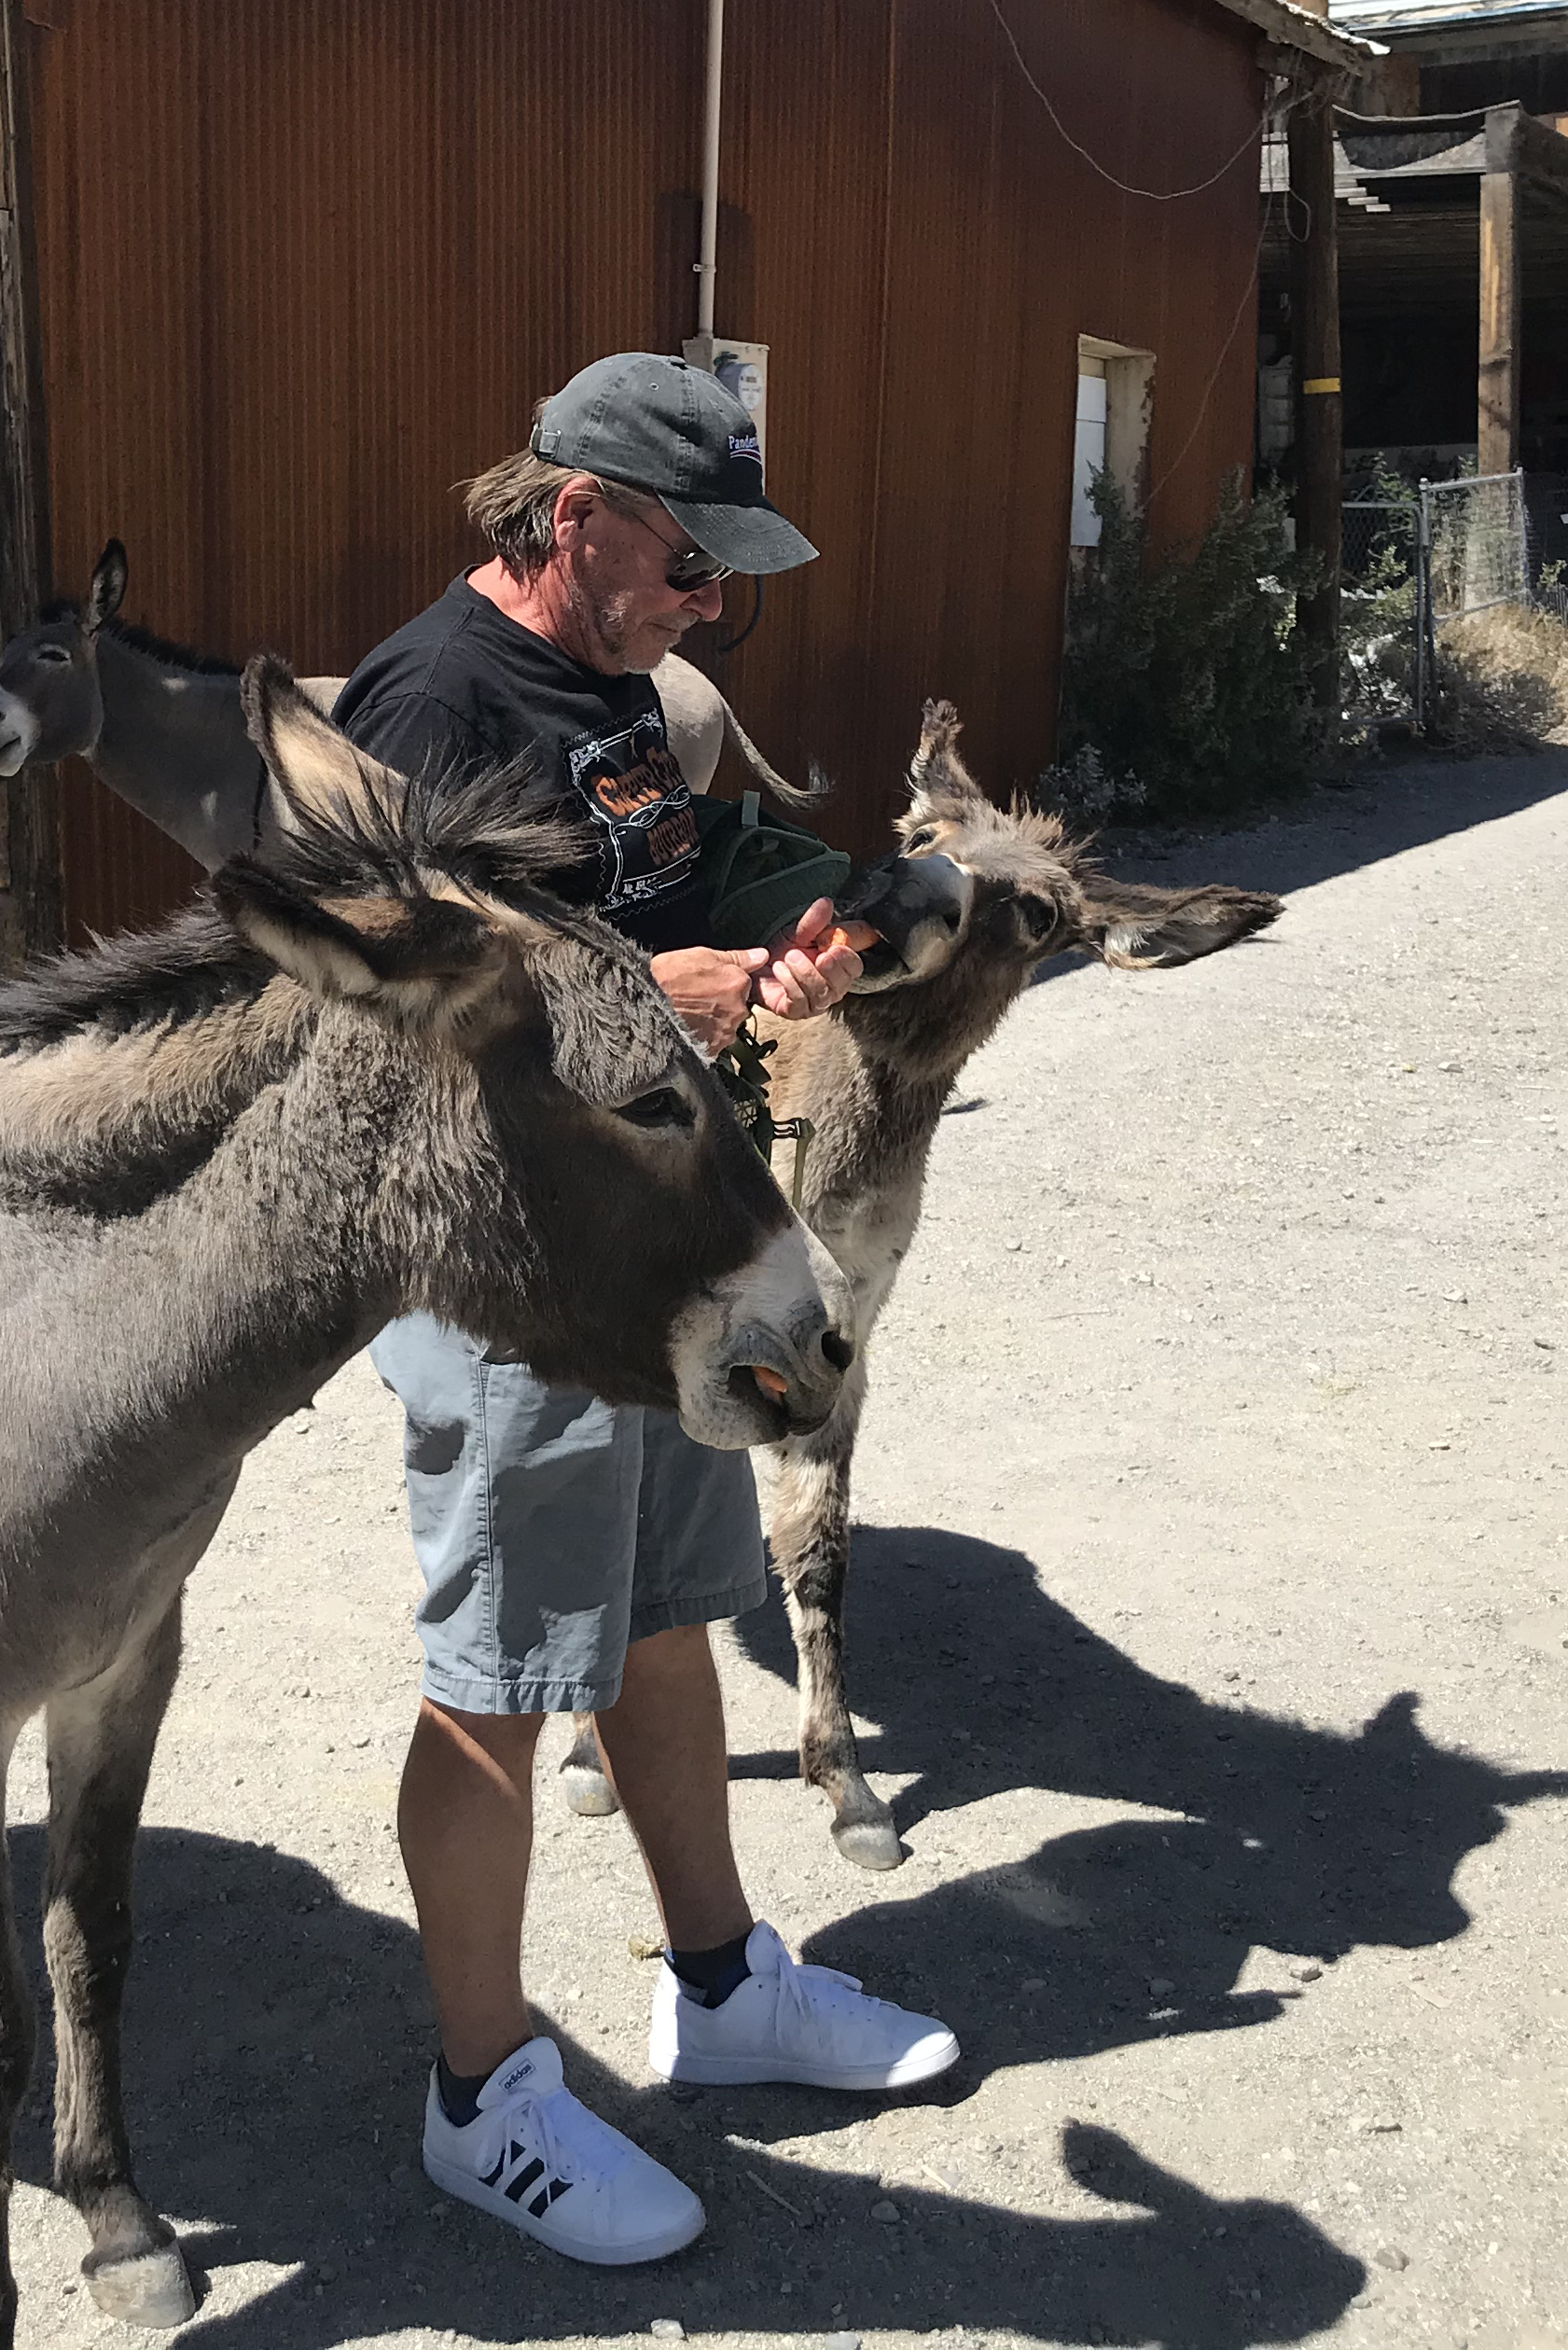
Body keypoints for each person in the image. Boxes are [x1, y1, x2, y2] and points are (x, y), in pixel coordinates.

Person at [334, 353, 959, 2270]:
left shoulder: (611, 679)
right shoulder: (427, 702)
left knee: (674, 1616)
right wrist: (632, 991)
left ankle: (719, 1986)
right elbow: (368, 1003)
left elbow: (655, 883)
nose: (706, 612)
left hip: (651, 1249)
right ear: (575, 514)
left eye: (722, 586)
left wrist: (800, 931)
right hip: (509, 1268)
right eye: (690, 568)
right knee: (499, 1683)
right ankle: (481, 2097)